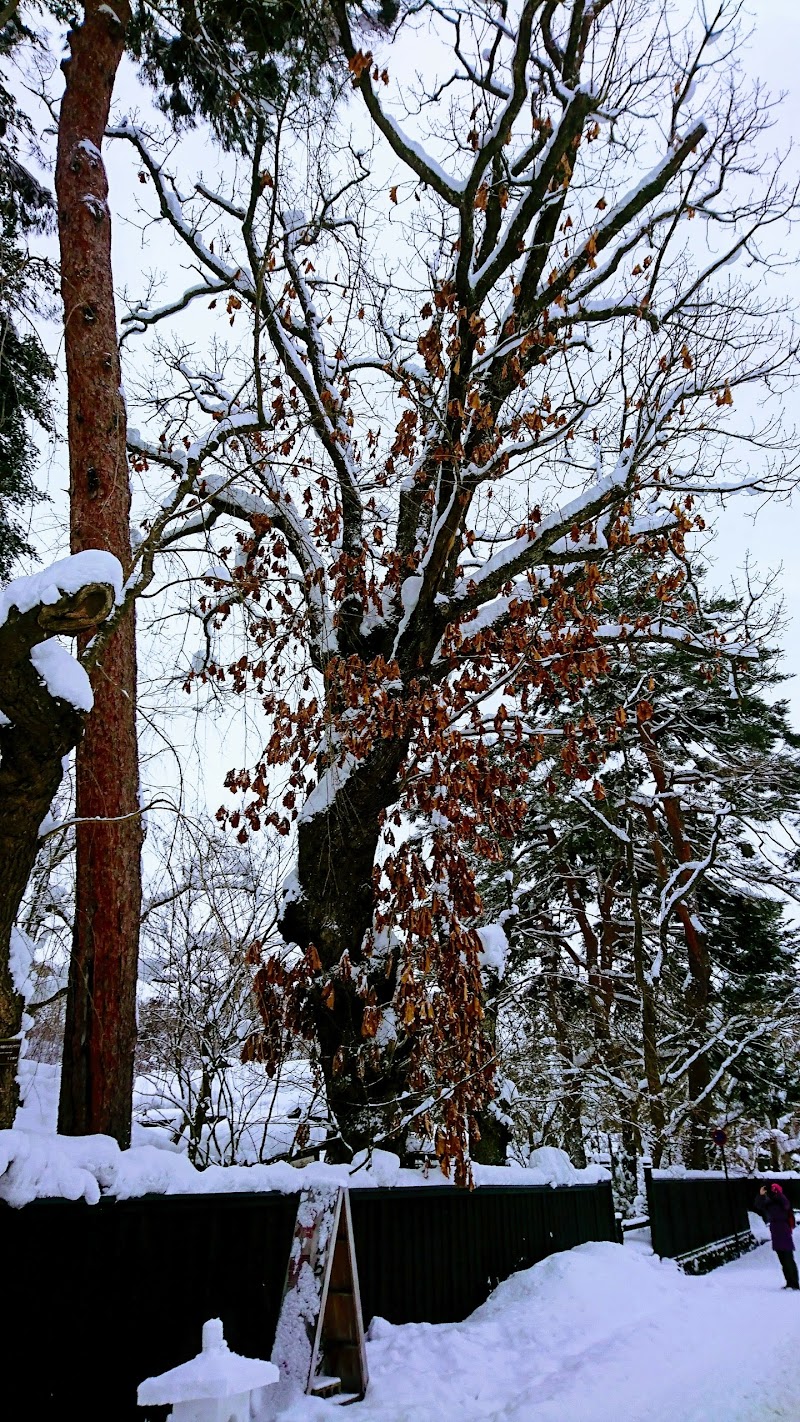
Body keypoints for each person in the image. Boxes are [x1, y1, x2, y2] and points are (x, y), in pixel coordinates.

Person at [756, 1182, 799, 1290]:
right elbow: (759, 1205)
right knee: (783, 1260)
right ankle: (789, 1282)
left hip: (784, 1231)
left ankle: (794, 1283)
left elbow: (786, 1204)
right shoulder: (770, 1203)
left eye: (775, 1190)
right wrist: (761, 1195)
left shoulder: (782, 1201)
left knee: (788, 1258)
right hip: (775, 1233)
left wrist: (778, 1193)